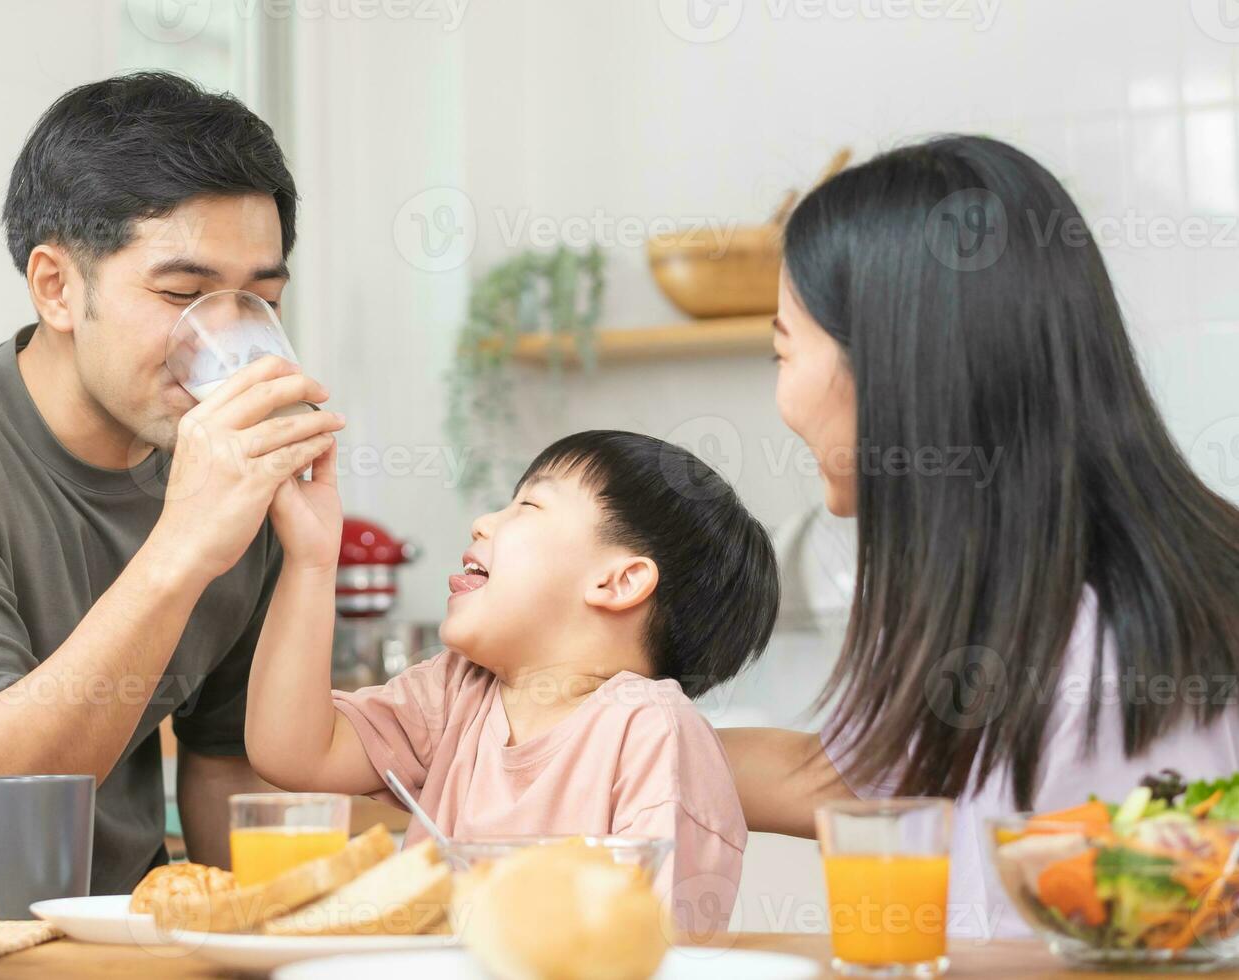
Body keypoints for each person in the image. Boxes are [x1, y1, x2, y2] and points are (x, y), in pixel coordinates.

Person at [0, 72, 345, 891]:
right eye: (184, 294)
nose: (226, 338)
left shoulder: (236, 467)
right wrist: (183, 545)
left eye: (260, 299)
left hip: (118, 939)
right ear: (56, 287)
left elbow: (227, 771)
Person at [718, 135, 1239, 937]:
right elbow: (862, 776)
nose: (781, 396)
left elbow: (1148, 938)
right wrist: (604, 736)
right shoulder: (998, 594)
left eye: (783, 348)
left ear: (894, 371)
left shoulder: (1101, 653)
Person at [245, 430, 780, 935]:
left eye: (529, 506)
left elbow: (653, 947)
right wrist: (311, 563)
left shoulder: (652, 733)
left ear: (619, 581)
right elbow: (294, 753)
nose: (482, 522)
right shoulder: (459, 690)